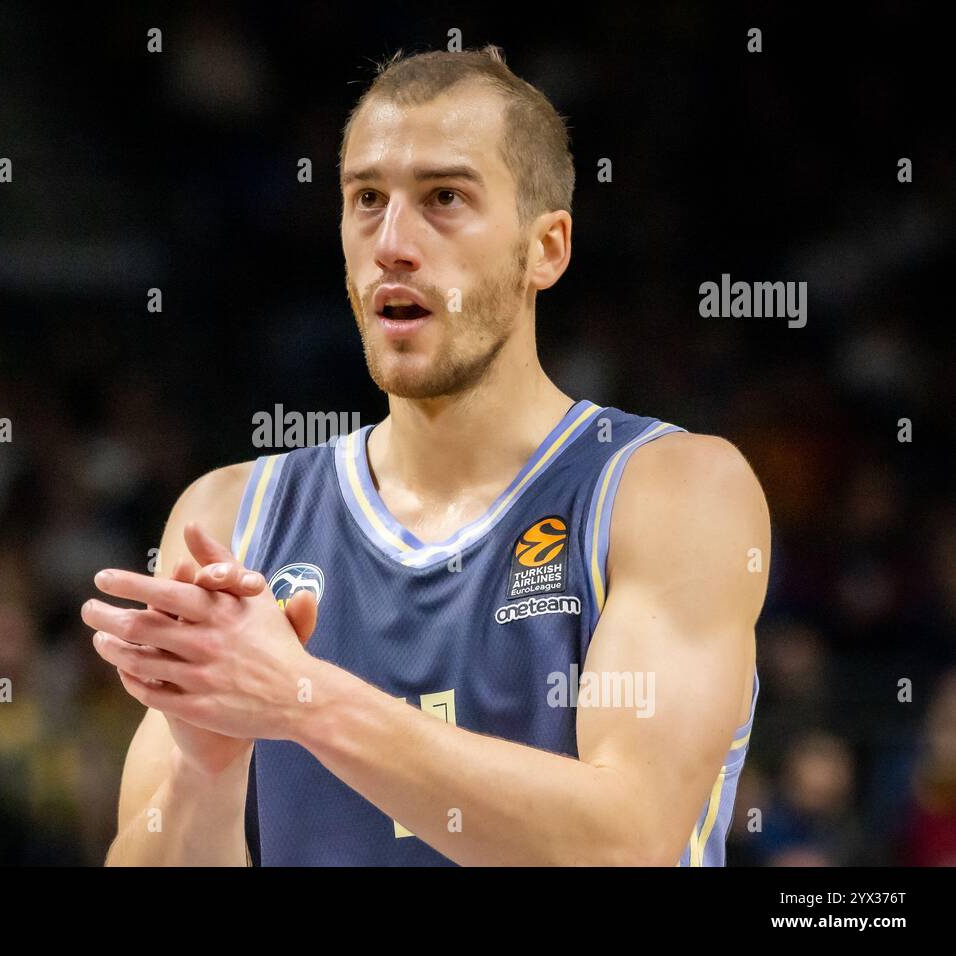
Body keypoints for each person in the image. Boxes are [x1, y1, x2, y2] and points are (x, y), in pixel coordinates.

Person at [82, 45, 769, 866]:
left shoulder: (673, 489)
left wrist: (302, 697)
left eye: (445, 197)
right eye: (366, 199)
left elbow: (627, 843)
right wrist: (209, 763)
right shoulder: (229, 516)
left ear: (546, 248)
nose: (393, 243)